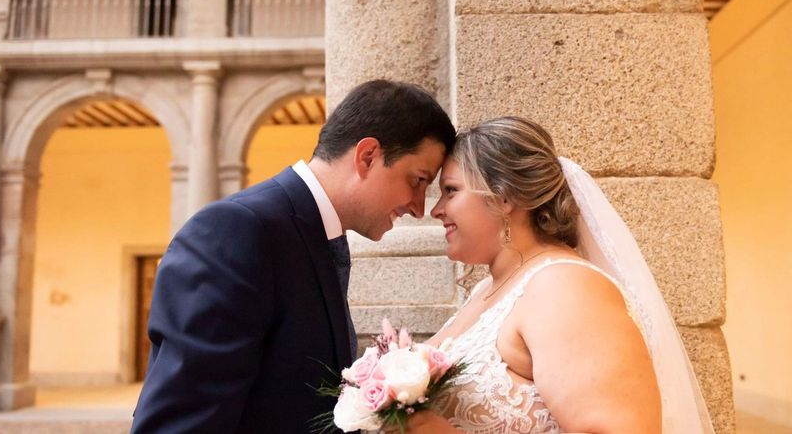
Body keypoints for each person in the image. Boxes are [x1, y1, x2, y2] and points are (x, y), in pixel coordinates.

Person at [130, 80, 456, 433]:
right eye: (418, 180)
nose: (418, 207)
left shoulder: (318, 232)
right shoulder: (236, 230)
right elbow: (180, 421)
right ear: (367, 156)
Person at [401, 117, 714, 433]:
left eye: (451, 191)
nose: (437, 209)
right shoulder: (487, 290)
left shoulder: (564, 287)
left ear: (504, 196)